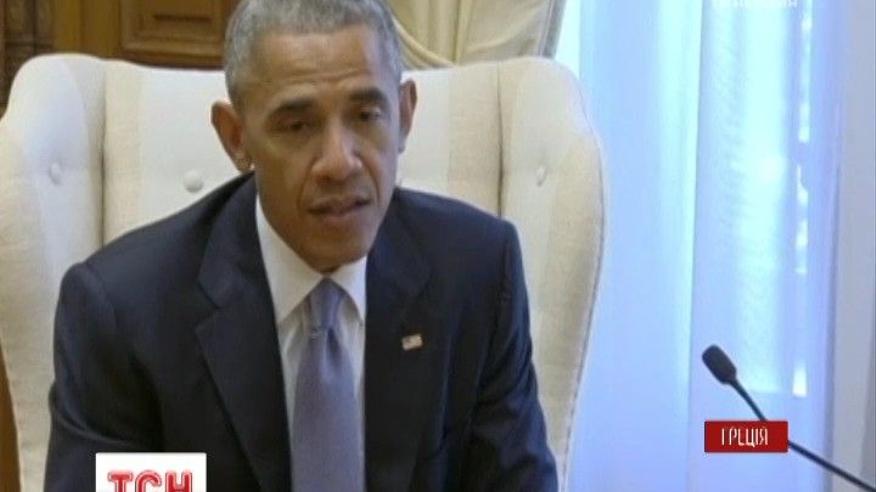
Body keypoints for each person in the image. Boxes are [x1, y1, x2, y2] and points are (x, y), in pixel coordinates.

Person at [44, 0, 557, 490]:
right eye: (297, 126)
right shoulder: (127, 315)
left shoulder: (475, 274)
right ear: (236, 137)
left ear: (403, 116)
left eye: (366, 115)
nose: (339, 162)